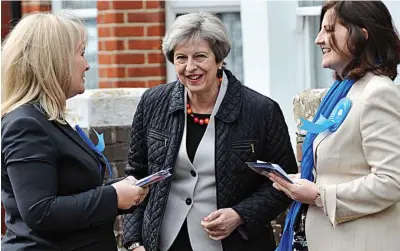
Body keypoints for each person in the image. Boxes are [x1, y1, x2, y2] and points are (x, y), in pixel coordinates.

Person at [122, 12, 297, 251]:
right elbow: (136, 177)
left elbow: (284, 183)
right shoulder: (152, 103)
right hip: (163, 244)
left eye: (200, 56)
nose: (190, 67)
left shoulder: (261, 110)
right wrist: (133, 242)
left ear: (219, 59)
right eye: (181, 58)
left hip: (236, 244)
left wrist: (240, 214)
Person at [1, 12, 149, 251]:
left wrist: (123, 189)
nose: (88, 64)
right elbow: (40, 211)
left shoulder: (47, 119)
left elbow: (70, 191)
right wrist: (112, 196)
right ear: (55, 61)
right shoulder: (25, 125)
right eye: (81, 54)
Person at [268, 1, 400, 251]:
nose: (318, 39)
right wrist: (298, 182)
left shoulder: (378, 93)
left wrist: (319, 195)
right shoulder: (345, 93)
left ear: (361, 34)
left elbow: (391, 182)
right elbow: (342, 169)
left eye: (329, 30)